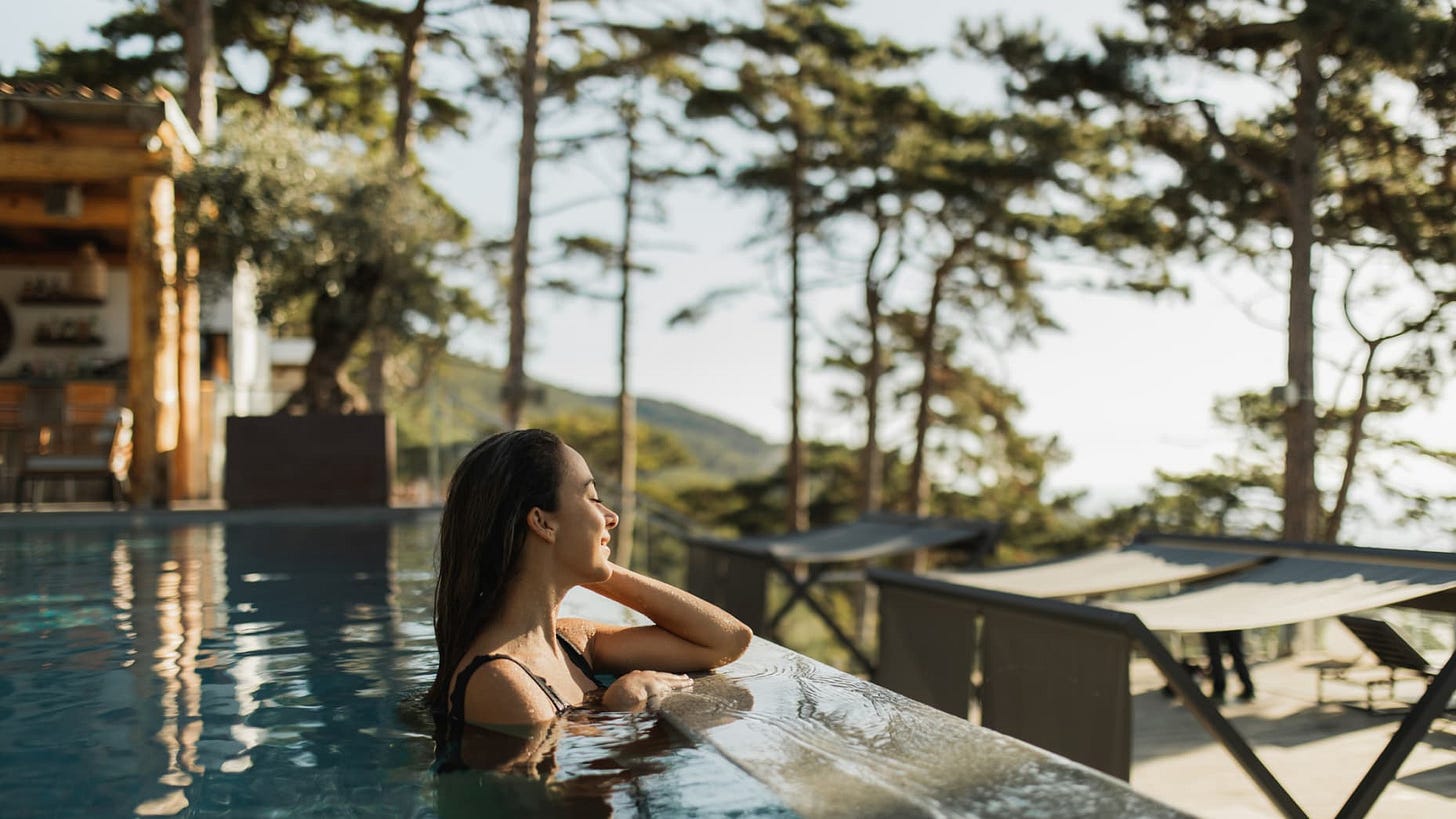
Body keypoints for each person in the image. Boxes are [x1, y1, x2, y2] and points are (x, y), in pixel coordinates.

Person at [426, 428, 753, 736]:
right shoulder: (500, 680)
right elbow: (557, 798)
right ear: (542, 522)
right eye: (592, 498)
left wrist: (592, 568)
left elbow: (727, 641)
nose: (611, 517)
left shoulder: (571, 643)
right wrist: (618, 712)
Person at [1202, 630, 1255, 703]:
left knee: (1215, 654)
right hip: (1232, 623)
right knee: (1237, 653)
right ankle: (1248, 688)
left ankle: (1219, 690)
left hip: (1214, 624)